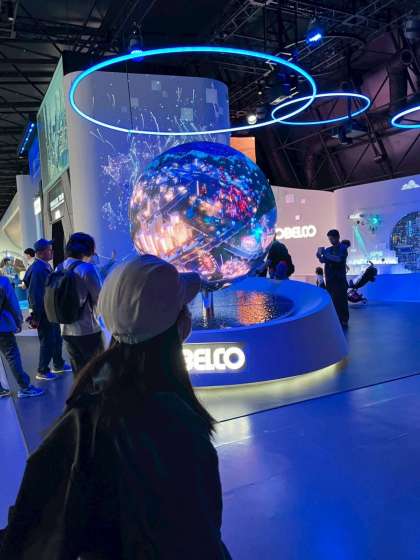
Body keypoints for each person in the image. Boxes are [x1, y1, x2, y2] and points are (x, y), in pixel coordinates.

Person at [0, 255, 232, 560]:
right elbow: (196, 538)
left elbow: (34, 527)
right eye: (183, 309)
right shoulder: (176, 425)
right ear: (178, 326)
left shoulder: (86, 411)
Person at [60, 233, 104, 376]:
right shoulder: (87, 269)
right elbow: (99, 299)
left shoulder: (59, 268)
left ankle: (80, 390)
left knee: (78, 372)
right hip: (87, 329)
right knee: (96, 370)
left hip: (65, 328)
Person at [27, 239, 70, 381]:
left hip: (50, 311)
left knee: (56, 338)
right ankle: (42, 370)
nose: (51, 251)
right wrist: (36, 315)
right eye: (49, 249)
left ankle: (58, 364)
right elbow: (35, 294)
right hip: (44, 312)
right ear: (41, 253)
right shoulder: (38, 269)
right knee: (47, 341)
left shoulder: (43, 266)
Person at [0, 274, 44, 399]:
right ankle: (25, 387)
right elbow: (13, 304)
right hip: (3, 327)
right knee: (12, 356)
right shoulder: (3, 282)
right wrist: (18, 321)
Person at [317, 229, 349, 327]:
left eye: (332, 238)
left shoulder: (343, 248)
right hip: (330, 279)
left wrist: (325, 254)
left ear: (337, 237)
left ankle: (344, 319)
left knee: (341, 300)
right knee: (332, 300)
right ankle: (335, 319)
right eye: (329, 239)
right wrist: (319, 255)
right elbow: (323, 260)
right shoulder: (328, 249)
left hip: (339, 279)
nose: (330, 240)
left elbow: (338, 259)